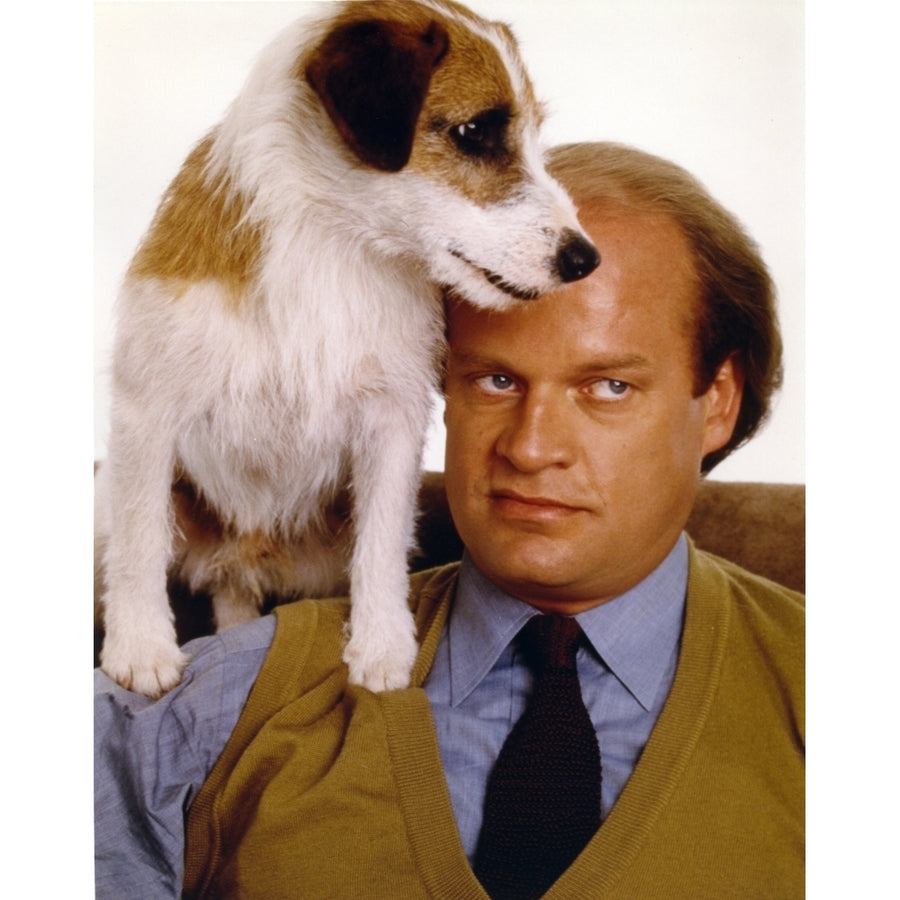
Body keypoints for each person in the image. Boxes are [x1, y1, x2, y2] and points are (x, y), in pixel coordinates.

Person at [95, 141, 803, 899]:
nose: (531, 448)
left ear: (718, 402)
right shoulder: (227, 704)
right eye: (494, 380)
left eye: (607, 387)